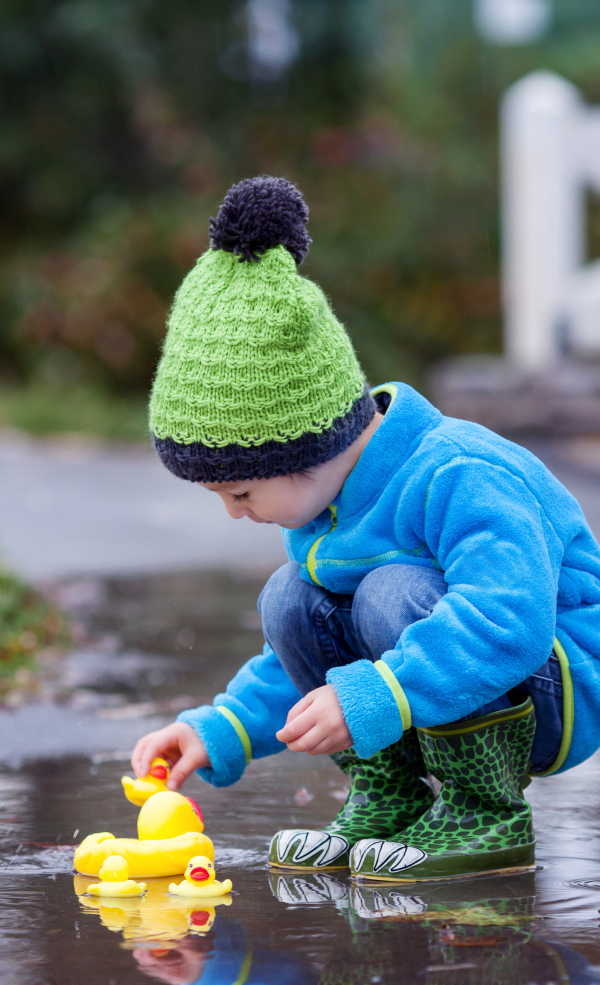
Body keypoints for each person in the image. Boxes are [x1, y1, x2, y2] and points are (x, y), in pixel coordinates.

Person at [132, 175, 600, 884]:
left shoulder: (459, 472)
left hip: (553, 683)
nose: (234, 511)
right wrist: (216, 728)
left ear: (304, 448)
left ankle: (485, 809)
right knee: (292, 598)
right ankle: (389, 795)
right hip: (439, 675)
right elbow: (304, 657)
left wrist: (379, 694)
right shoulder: (329, 505)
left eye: (240, 491)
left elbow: (511, 617)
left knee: (389, 591)